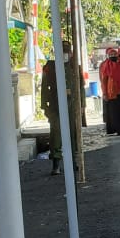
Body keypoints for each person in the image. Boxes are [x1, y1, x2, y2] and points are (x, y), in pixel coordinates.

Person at [41, 40, 82, 176]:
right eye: (62, 52)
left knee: (72, 133)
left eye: (66, 52)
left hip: (72, 104)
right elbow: (44, 87)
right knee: (56, 133)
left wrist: (82, 105)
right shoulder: (50, 67)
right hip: (55, 104)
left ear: (70, 53)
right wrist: (44, 106)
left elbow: (81, 87)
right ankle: (56, 164)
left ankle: (73, 161)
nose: (65, 54)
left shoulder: (75, 66)